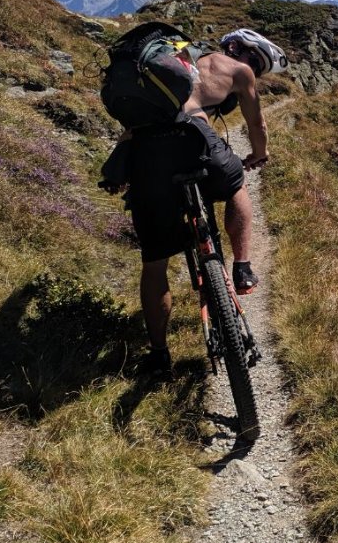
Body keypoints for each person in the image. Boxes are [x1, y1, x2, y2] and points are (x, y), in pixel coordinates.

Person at [109, 27, 289, 375]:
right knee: (236, 183)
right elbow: (257, 125)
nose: (252, 66)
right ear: (238, 49)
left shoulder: (173, 64)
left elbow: (130, 130)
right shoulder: (237, 70)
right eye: (254, 59)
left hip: (148, 156)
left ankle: (159, 355)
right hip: (195, 141)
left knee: (155, 263)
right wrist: (259, 154)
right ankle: (242, 266)